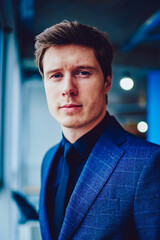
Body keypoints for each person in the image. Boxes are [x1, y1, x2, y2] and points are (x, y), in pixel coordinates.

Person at [35, 20, 160, 240]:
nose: (68, 89)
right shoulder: (48, 159)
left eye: (82, 73)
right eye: (55, 75)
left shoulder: (149, 163)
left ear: (107, 81)